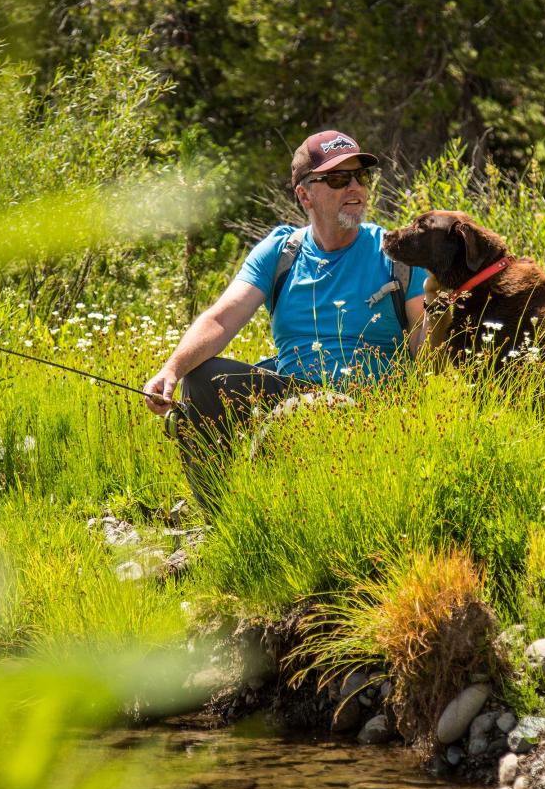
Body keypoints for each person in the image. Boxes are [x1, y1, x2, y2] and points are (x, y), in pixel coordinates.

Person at [142, 130, 428, 508]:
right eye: (339, 179)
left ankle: (275, 513)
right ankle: (225, 519)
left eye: (362, 176)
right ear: (304, 194)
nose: (355, 187)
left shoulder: (395, 253)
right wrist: (171, 370)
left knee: (299, 413)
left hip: (371, 407)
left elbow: (427, 343)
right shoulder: (281, 252)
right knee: (202, 379)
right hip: (292, 390)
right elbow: (221, 320)